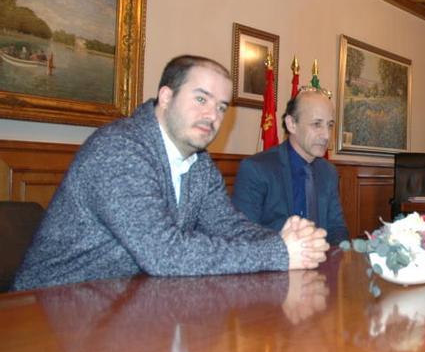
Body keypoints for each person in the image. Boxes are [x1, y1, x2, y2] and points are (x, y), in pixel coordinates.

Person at [13, 55, 329, 291]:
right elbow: (164, 253)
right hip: (47, 309)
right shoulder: (120, 150)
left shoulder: (199, 163)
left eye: (221, 107)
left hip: (125, 304)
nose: (213, 116)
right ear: (166, 97)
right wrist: (279, 251)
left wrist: (292, 242)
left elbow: (227, 226)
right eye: (201, 99)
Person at [232, 87, 349, 245]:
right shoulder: (256, 169)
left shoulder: (329, 172)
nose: (327, 135)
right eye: (316, 124)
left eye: (329, 125)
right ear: (292, 124)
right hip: (274, 265)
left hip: (321, 263)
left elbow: (337, 229)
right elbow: (243, 236)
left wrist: (333, 259)